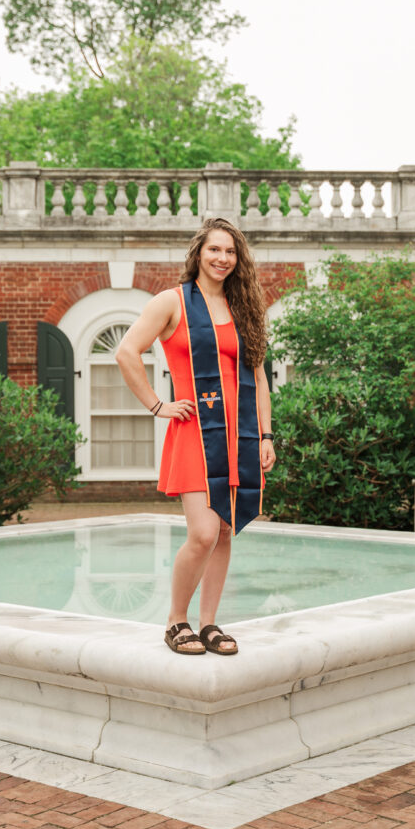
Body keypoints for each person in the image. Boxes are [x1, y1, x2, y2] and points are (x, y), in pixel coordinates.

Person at [115, 217, 276, 656]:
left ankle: (209, 624)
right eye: (214, 250)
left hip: (238, 437)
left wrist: (266, 435)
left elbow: (258, 379)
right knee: (203, 533)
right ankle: (175, 620)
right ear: (198, 254)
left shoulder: (244, 310)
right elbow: (126, 352)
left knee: (225, 530)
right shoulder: (172, 303)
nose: (222, 259)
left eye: (230, 252)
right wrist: (157, 404)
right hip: (195, 434)